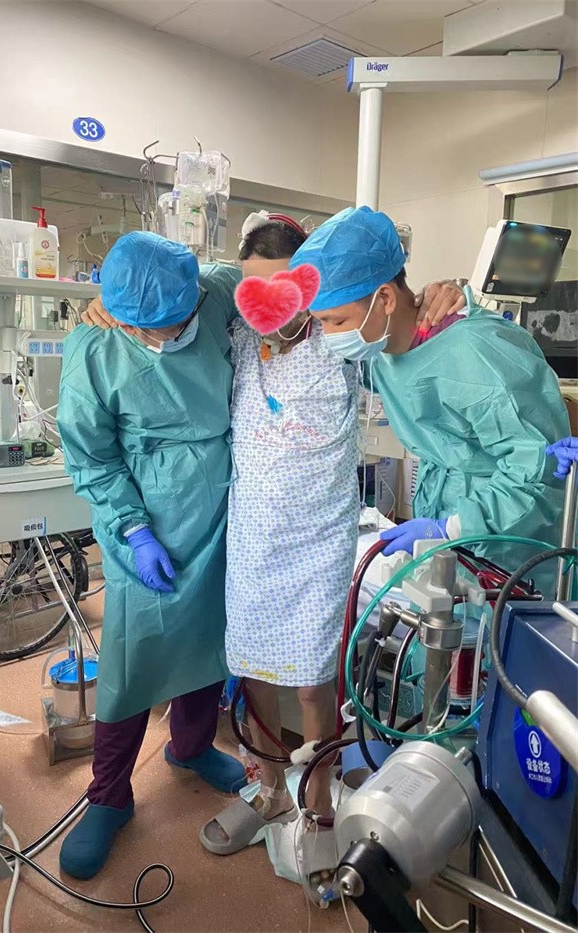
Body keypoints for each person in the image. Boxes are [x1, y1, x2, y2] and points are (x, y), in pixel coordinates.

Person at [77, 217, 464, 888]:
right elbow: (164, 299)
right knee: (235, 667)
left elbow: (399, 327)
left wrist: (450, 292)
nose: (269, 304)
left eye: (287, 289)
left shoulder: (335, 339)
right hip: (234, 532)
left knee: (302, 677)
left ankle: (307, 802)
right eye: (254, 290)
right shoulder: (223, 332)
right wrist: (110, 300)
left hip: (303, 533)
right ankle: (254, 790)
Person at [56, 231, 246, 881]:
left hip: (221, 505)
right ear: (122, 318)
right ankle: (108, 795)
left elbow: (282, 271)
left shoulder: (216, 291)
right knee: (132, 656)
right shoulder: (95, 343)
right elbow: (92, 456)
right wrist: (133, 531)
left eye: (176, 321)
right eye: (149, 329)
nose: (166, 336)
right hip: (147, 514)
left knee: (208, 638)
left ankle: (191, 747)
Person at [291, 206, 570, 590]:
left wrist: (451, 528)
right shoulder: (383, 351)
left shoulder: (477, 352)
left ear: (385, 299)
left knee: (498, 628)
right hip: (447, 533)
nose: (330, 335)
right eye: (321, 321)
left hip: (510, 549)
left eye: (336, 321)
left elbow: (537, 471)